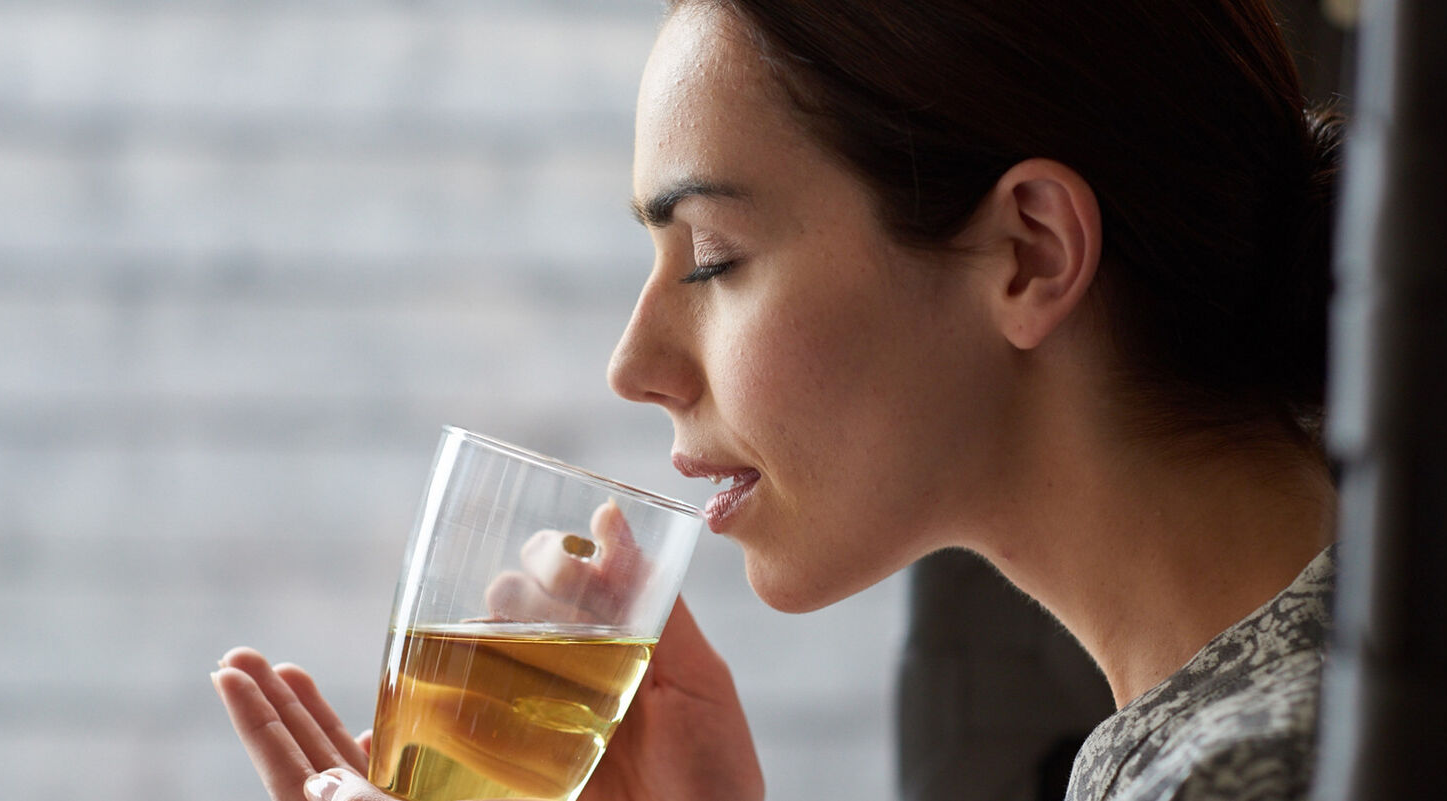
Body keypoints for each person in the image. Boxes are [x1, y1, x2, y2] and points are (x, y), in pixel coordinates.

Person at [212, 0, 1345, 799]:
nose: (632, 362)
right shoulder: (1278, 719)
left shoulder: (1262, 769)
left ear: (1028, 252)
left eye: (710, 256)